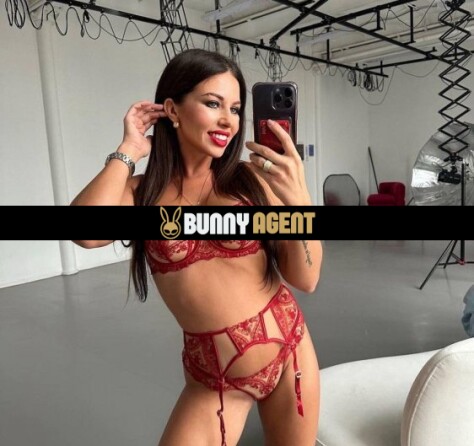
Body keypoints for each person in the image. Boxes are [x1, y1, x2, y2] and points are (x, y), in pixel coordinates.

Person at [72, 48, 323, 446]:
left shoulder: (251, 181)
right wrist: (130, 150)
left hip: (289, 352)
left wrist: (300, 202)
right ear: (172, 109)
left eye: (235, 109)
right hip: (216, 379)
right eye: (212, 103)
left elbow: (306, 278)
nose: (228, 120)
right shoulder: (142, 195)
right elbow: (85, 234)